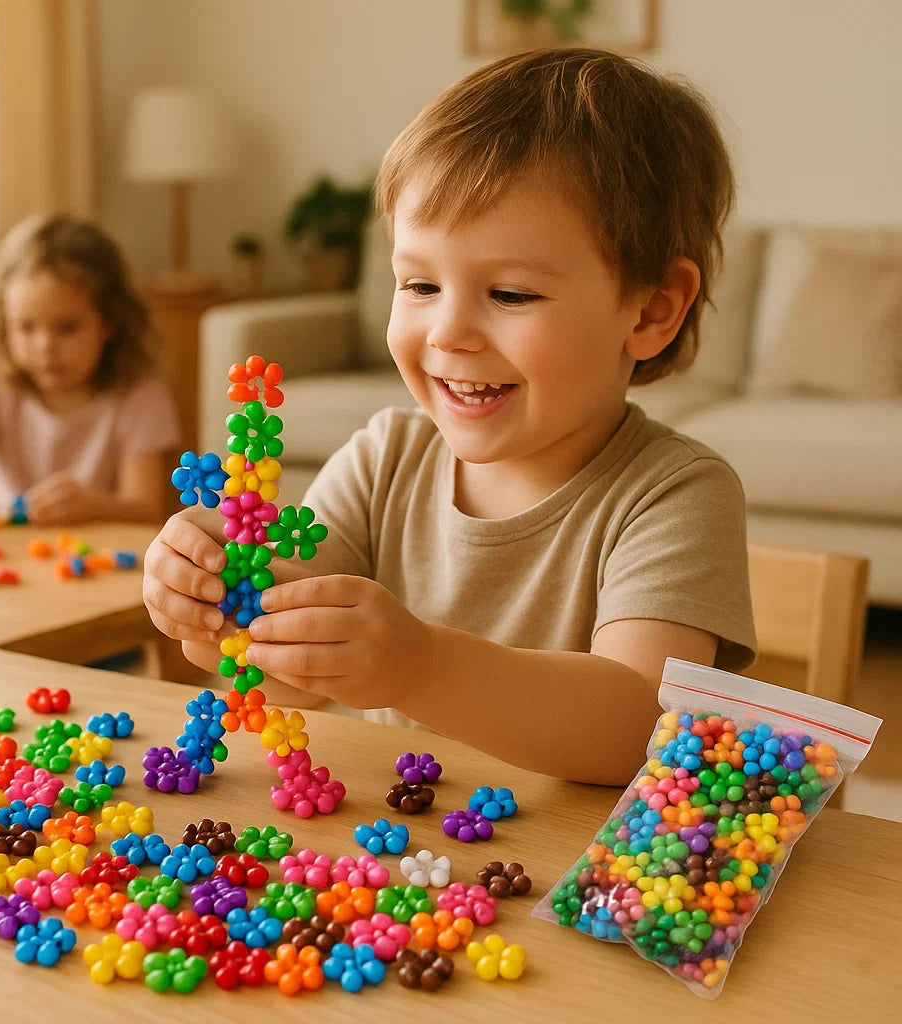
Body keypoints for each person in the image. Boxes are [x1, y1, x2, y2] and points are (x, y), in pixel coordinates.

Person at [142, 48, 757, 784]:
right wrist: (216, 605)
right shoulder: (384, 456)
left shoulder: (675, 495)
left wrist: (422, 668)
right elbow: (290, 673)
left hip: (571, 885)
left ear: (652, 310)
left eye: (511, 295)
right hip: (400, 870)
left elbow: (640, 732)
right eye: (421, 283)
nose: (448, 333)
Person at [0, 214, 179, 524]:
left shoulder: (138, 395)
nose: (44, 346)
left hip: (100, 557)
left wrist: (93, 506)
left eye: (66, 328)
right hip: (7, 556)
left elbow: (148, 510)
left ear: (109, 323)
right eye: (26, 327)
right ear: (4, 323)